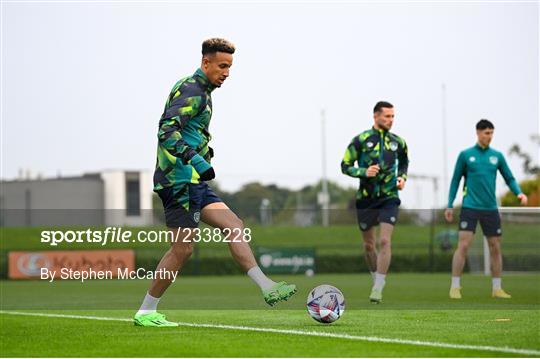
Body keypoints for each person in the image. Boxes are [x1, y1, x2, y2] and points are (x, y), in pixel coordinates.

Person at [134, 38, 296, 327]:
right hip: (180, 180)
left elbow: (189, 131)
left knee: (234, 226)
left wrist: (204, 151)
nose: (227, 72)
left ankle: (266, 287)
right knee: (182, 250)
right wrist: (197, 160)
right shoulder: (193, 90)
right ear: (205, 62)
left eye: (230, 67)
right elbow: (166, 131)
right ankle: (146, 312)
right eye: (222, 66)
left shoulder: (203, 91)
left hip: (193, 179)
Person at [445, 119, 527, 299]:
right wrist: (450, 204)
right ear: (478, 133)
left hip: (490, 208)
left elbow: (509, 178)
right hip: (470, 207)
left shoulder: (497, 156)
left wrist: (519, 193)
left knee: (495, 247)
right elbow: (455, 180)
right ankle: (455, 286)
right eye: (486, 133)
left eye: (491, 133)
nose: (489, 136)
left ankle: (497, 288)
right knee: (463, 245)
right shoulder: (466, 155)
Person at [341, 101, 409, 303]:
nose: (391, 120)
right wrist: (364, 172)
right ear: (376, 116)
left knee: (385, 241)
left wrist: (402, 178)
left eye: (393, 116)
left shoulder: (399, 142)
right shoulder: (361, 140)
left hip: (389, 198)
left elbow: (404, 162)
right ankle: (375, 279)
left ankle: (379, 286)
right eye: (387, 116)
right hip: (365, 200)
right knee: (369, 246)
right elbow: (345, 166)